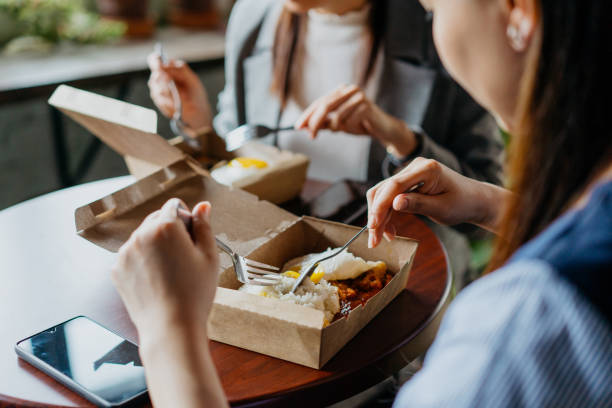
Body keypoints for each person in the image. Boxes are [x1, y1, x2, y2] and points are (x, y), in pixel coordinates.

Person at [115, 0, 612, 406]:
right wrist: (487, 203)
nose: (431, 19)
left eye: (436, 8)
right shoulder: (255, 19)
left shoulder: (518, 327)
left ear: (517, 11)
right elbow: (238, 150)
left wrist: (166, 330)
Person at [148, 0, 506, 285]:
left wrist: (401, 139)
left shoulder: (443, 24)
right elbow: (236, 154)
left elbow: (483, 206)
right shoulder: (253, 15)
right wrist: (198, 124)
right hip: (268, 270)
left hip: (400, 278)